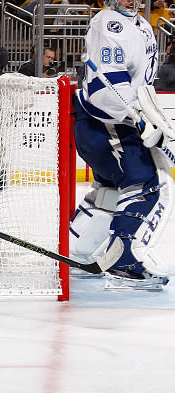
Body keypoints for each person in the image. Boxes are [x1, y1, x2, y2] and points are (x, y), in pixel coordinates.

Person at [70, 0, 171, 289]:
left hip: (102, 125)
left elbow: (139, 81)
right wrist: (139, 118)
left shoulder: (139, 24)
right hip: (109, 124)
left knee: (110, 191)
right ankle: (125, 264)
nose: (132, 0)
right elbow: (107, 82)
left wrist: (148, 115)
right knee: (147, 185)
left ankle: (76, 252)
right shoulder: (110, 23)